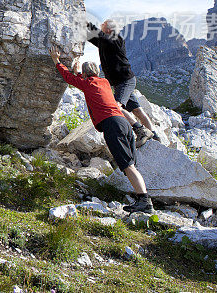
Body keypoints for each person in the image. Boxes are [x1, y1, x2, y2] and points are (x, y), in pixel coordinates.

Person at [50, 47, 155, 214]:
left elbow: (68, 77)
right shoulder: (103, 83)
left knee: (128, 167)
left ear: (85, 75)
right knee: (130, 165)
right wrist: (80, 73)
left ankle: (145, 202)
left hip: (112, 125)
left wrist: (57, 60)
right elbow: (85, 82)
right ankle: (141, 199)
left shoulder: (87, 83)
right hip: (124, 123)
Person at [86, 19, 159, 147]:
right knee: (137, 110)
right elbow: (91, 35)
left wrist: (83, 21)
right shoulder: (104, 42)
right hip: (121, 82)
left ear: (109, 30)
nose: (100, 26)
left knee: (116, 107)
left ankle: (140, 131)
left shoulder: (116, 40)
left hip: (125, 81)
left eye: (103, 25)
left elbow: (96, 33)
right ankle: (155, 136)